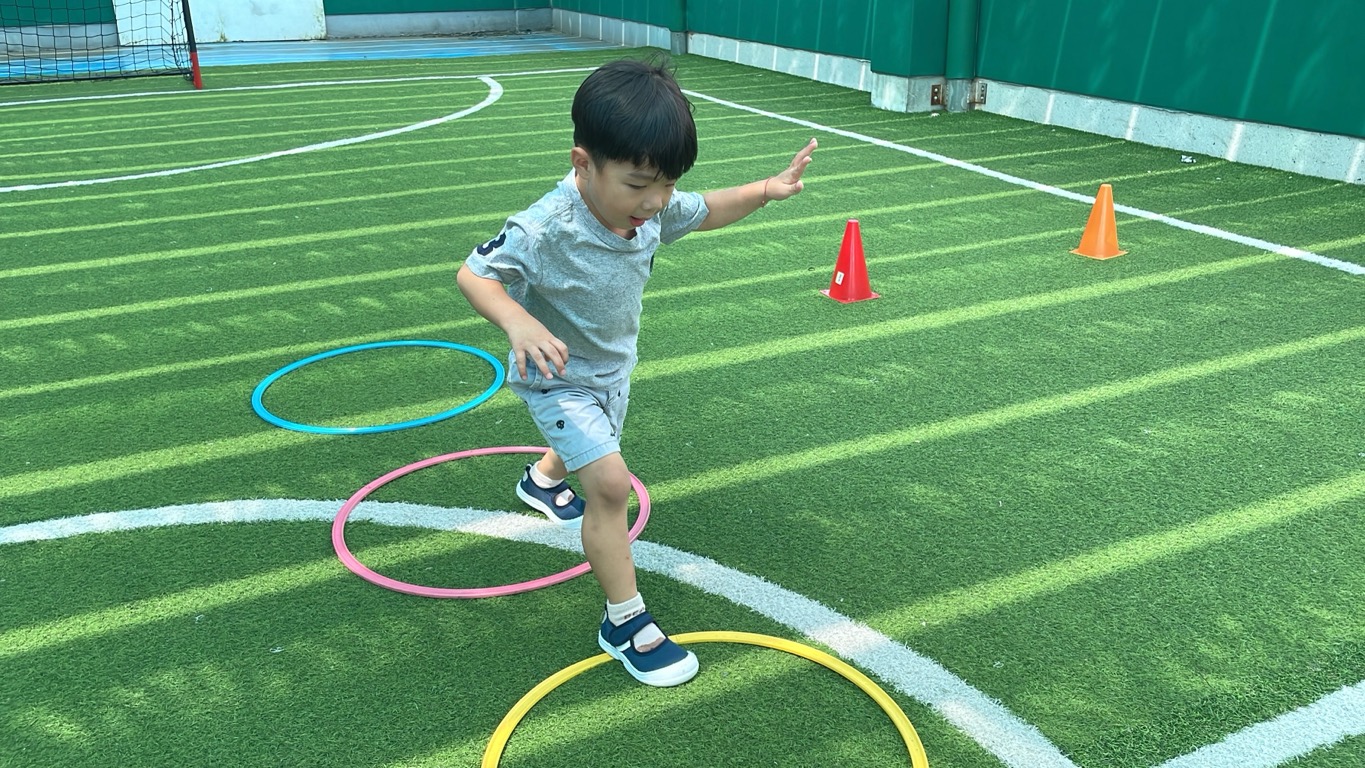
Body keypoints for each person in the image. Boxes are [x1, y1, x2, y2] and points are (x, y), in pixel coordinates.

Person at [457, 57, 816, 687]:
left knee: (590, 448)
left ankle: (542, 480)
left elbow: (707, 209)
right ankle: (624, 621)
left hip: (612, 370)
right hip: (556, 376)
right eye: (639, 184)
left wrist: (765, 189)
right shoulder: (546, 227)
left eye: (667, 184)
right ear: (582, 163)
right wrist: (519, 324)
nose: (655, 202)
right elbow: (474, 274)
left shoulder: (648, 209)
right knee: (609, 484)